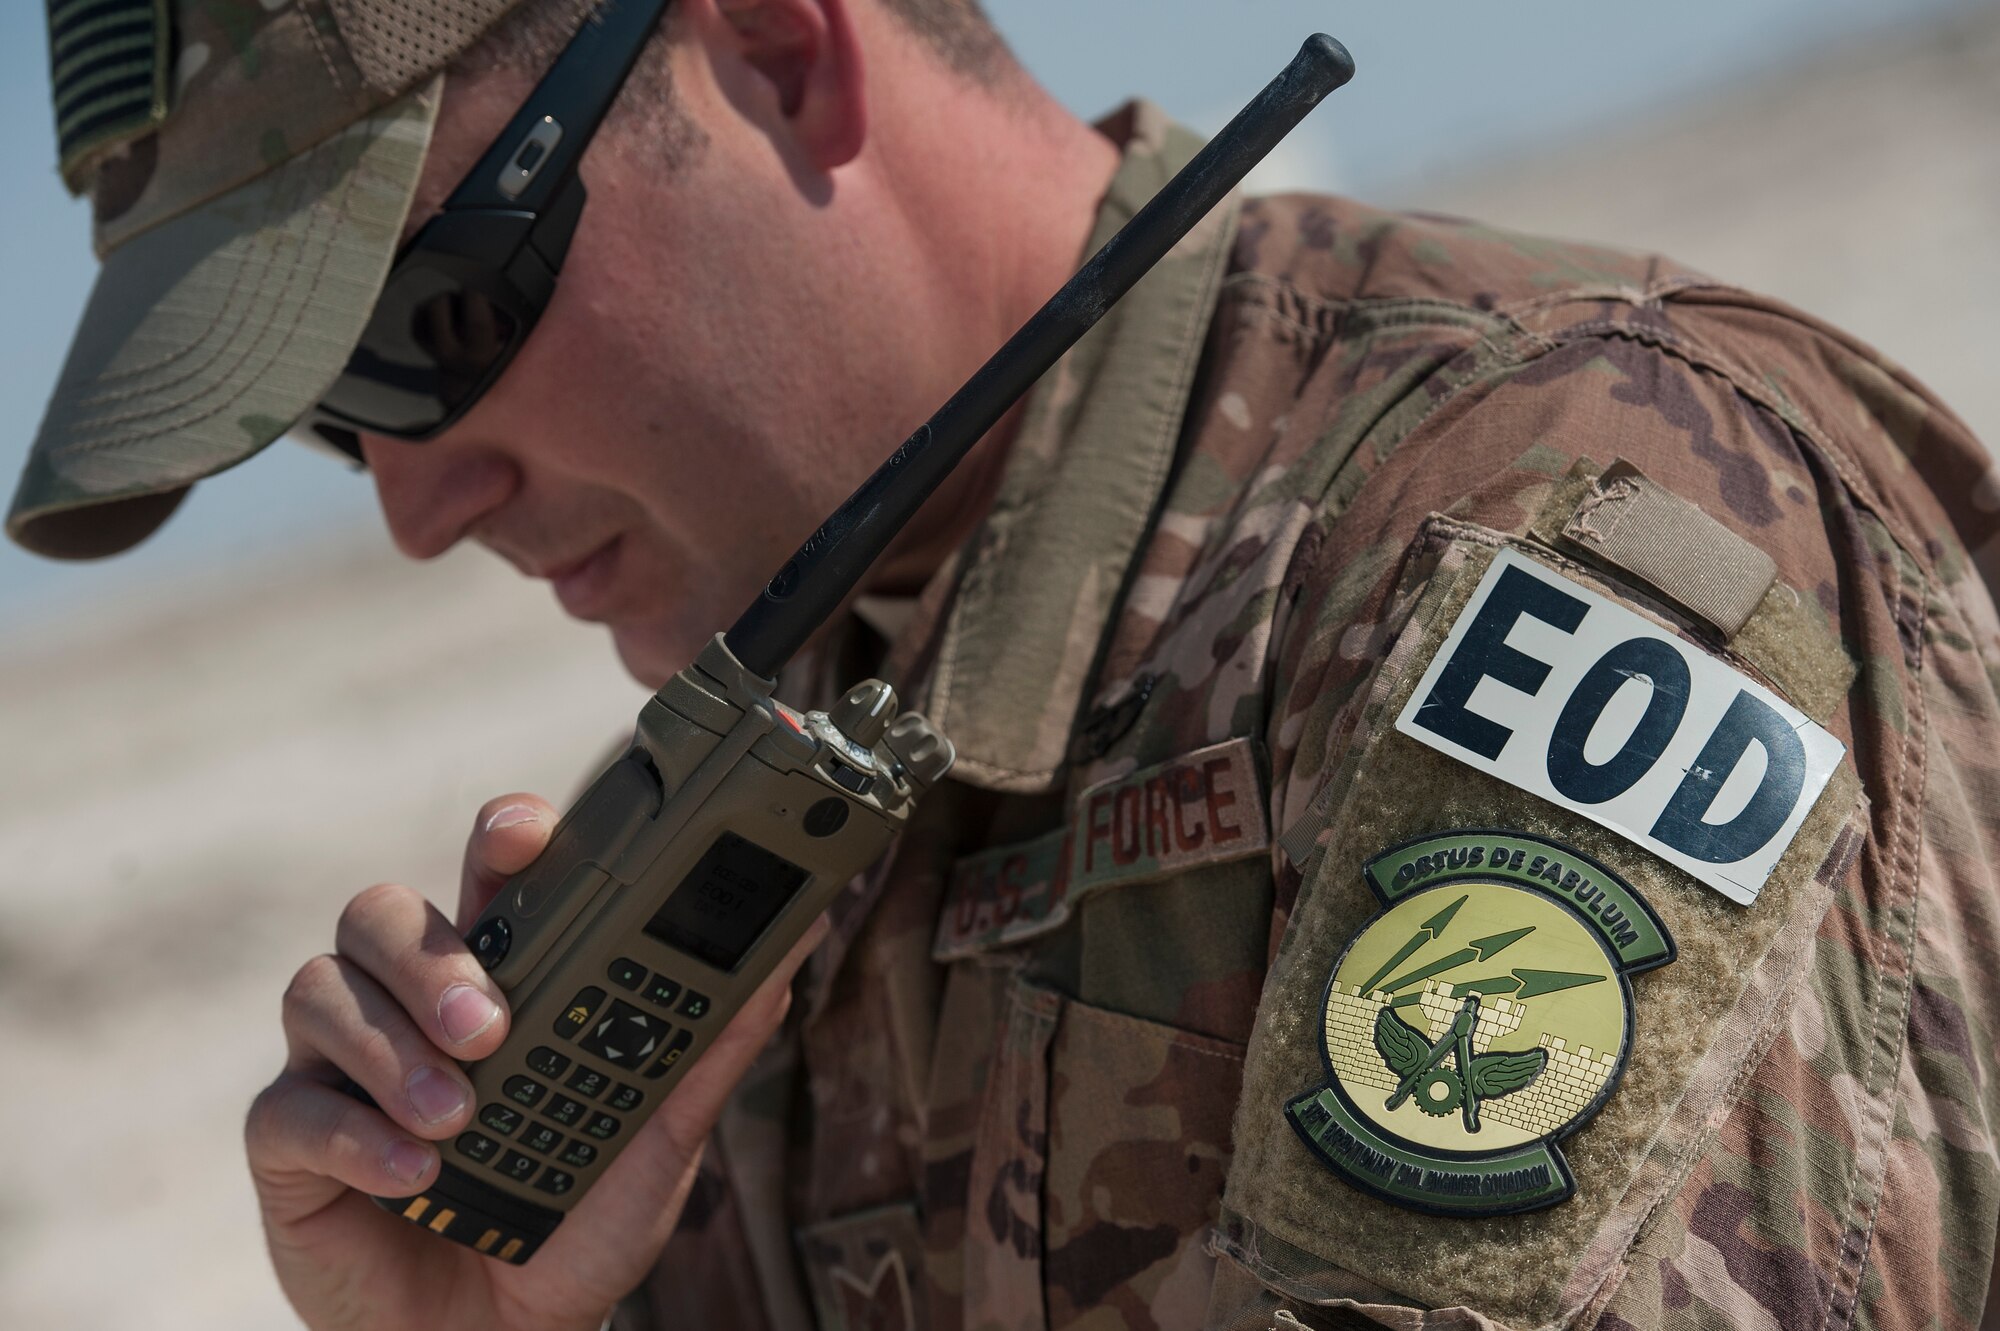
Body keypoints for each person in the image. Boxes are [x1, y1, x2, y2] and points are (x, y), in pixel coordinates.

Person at [14, 1, 2000, 1328]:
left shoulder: (1532, 531)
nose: (412, 509)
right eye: (326, 425)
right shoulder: (822, 784)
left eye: (417, 333)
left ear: (787, 54)